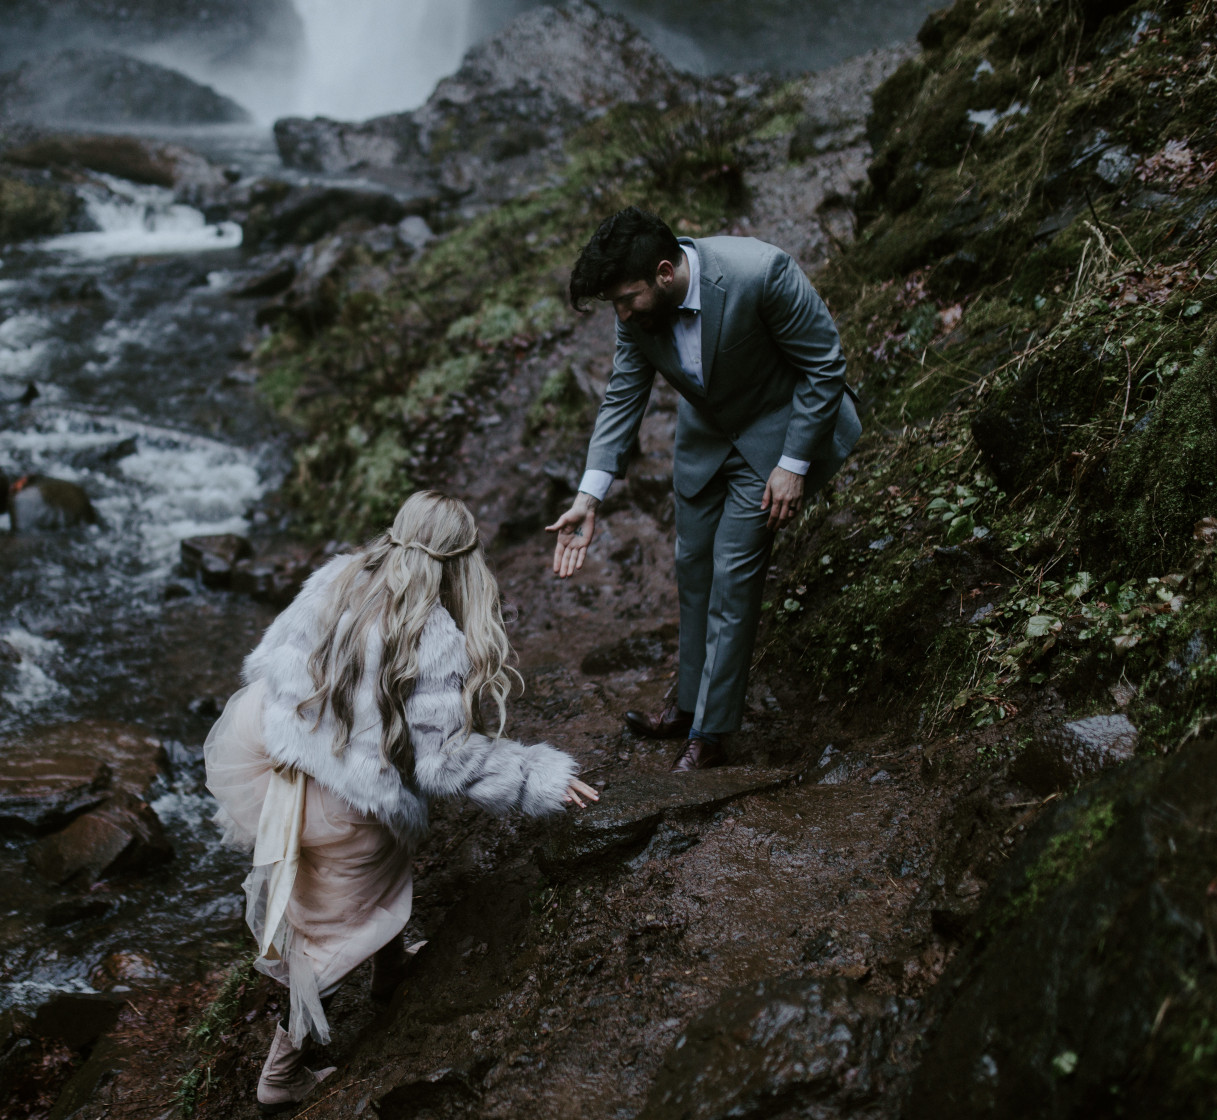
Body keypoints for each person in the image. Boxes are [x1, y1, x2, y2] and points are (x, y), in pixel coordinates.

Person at [206, 490, 599, 1115]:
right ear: (457, 560)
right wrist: (536, 776)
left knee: (365, 882)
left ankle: (390, 971)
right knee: (332, 936)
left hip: (287, 765)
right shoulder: (434, 635)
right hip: (348, 802)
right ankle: (280, 1074)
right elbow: (447, 763)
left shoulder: (339, 575)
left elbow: (270, 662)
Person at [546, 207, 860, 770]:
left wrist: (793, 463)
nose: (620, 314)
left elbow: (824, 366)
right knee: (692, 566)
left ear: (666, 273)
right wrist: (587, 498)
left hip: (776, 436)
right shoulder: (637, 310)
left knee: (732, 573)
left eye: (627, 299)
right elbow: (623, 397)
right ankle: (688, 705)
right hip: (706, 443)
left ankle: (710, 736)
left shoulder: (760, 272)